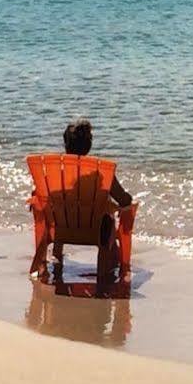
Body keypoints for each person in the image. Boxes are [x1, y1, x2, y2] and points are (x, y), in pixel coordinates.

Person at [28, 118, 134, 284]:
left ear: (66, 145)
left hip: (61, 230)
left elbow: (38, 196)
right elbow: (123, 200)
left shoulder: (54, 174)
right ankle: (110, 264)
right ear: (89, 145)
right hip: (95, 232)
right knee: (108, 214)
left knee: (57, 205)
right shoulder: (101, 173)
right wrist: (127, 200)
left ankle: (56, 254)